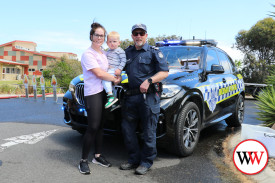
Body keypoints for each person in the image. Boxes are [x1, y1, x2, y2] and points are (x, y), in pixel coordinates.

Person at [120, 24, 169, 175]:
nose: (138, 36)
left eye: (141, 33)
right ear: (132, 36)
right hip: (131, 97)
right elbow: (116, 68)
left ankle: (146, 162)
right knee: (127, 130)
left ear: (146, 35)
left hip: (148, 98)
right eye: (136, 33)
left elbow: (164, 72)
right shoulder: (127, 52)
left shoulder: (154, 52)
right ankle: (133, 159)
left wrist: (149, 81)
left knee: (149, 131)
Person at [79, 22, 120, 175]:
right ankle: (83, 160)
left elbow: (109, 69)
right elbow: (99, 73)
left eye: (102, 35)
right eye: (97, 35)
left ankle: (97, 156)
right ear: (91, 36)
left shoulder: (104, 53)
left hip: (104, 92)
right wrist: (114, 79)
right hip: (93, 93)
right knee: (93, 127)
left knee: (102, 126)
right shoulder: (88, 54)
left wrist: (118, 75)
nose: (99, 38)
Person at [102, 31, 126, 108]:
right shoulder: (108, 51)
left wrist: (119, 69)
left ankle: (110, 96)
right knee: (111, 85)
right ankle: (114, 101)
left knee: (105, 79)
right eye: (110, 42)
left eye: (114, 41)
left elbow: (123, 61)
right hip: (109, 70)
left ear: (119, 42)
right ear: (107, 43)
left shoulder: (120, 51)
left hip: (115, 70)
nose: (112, 43)